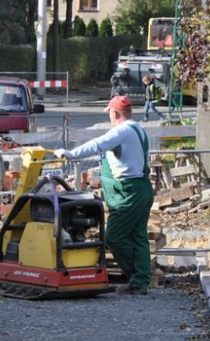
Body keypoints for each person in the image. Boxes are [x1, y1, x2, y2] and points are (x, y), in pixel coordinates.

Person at [54, 95, 154, 294]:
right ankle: (142, 279)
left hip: (128, 193)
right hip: (140, 189)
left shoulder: (122, 131)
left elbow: (97, 144)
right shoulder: (137, 128)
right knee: (138, 235)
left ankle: (136, 278)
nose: (109, 115)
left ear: (115, 113)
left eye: (109, 112)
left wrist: (69, 153)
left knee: (114, 237)